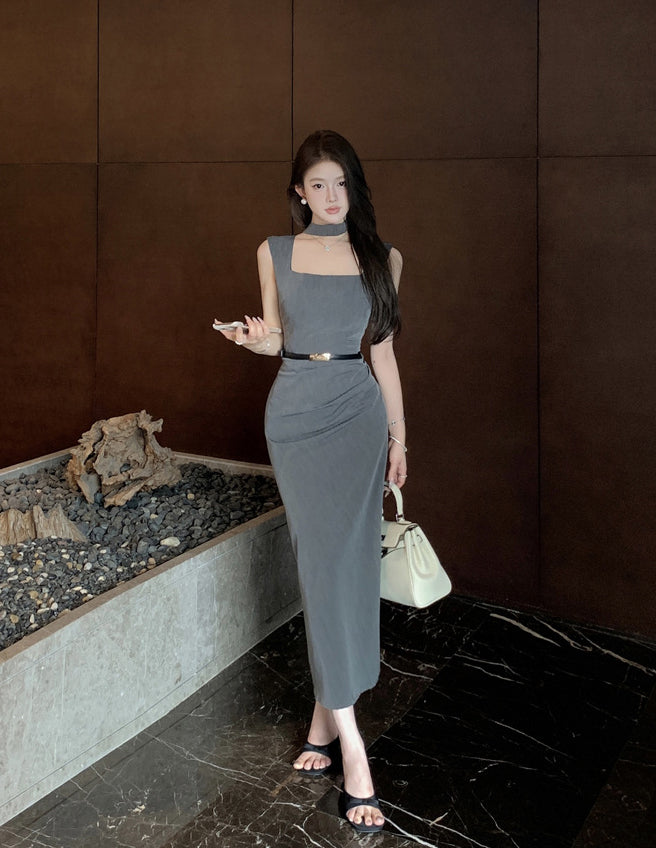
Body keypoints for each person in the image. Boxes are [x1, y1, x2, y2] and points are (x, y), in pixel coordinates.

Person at [216, 130, 406, 833]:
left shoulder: (383, 258)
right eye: (318, 184)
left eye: (342, 183)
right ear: (299, 191)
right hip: (296, 413)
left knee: (348, 567)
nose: (331, 196)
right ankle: (355, 749)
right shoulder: (274, 251)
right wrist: (253, 339)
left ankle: (328, 725)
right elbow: (278, 339)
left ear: (354, 187)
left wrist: (400, 437)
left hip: (358, 414)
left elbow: (384, 356)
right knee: (319, 566)